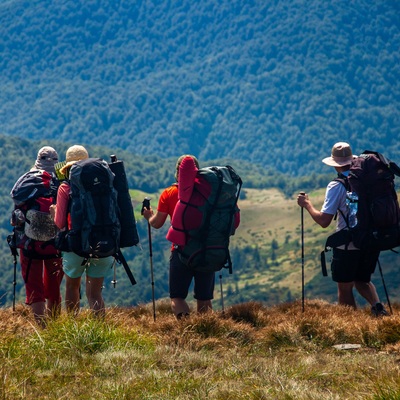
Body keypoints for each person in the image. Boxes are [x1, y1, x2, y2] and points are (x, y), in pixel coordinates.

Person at [297, 142, 388, 316]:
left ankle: (350, 325)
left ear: (335, 164)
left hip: (348, 244)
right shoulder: (367, 179)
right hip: (371, 240)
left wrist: (307, 205)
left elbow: (324, 221)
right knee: (363, 280)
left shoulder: (337, 185)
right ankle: (378, 309)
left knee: (344, 287)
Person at [142, 155, 215, 319]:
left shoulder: (169, 193)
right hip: (207, 250)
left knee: (177, 297)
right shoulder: (209, 192)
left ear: (178, 173)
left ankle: (186, 329)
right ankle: (208, 331)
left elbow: (157, 223)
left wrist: (148, 216)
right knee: (204, 298)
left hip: (181, 251)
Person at [50, 145, 113, 317]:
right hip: (103, 242)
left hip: (74, 245)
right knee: (94, 293)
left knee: (72, 286)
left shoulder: (65, 187)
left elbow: (60, 223)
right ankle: (100, 333)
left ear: (68, 167)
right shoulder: (102, 185)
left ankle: (72, 328)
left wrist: (54, 213)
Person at [11, 146, 64, 327]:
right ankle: (55, 326)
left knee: (34, 283)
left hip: (30, 242)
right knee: (54, 283)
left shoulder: (26, 181)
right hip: (56, 242)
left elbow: (17, 207)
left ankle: (42, 328)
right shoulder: (62, 183)